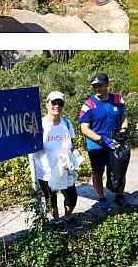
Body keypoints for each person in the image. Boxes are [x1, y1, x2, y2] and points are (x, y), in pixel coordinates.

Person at [78, 73, 128, 210]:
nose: (97, 89)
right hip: (97, 146)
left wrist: (123, 130)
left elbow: (124, 117)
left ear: (107, 84)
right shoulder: (88, 105)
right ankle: (101, 197)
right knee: (98, 173)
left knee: (119, 171)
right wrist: (101, 140)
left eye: (99, 85)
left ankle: (119, 195)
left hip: (116, 143)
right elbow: (84, 129)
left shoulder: (118, 99)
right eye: (94, 86)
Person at [32, 91, 79, 221]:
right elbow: (32, 146)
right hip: (46, 172)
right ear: (47, 105)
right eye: (54, 103)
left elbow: (72, 143)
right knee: (51, 201)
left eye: (60, 103)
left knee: (72, 198)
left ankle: (67, 217)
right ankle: (57, 221)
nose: (57, 106)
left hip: (65, 171)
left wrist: (70, 158)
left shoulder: (67, 123)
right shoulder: (39, 125)